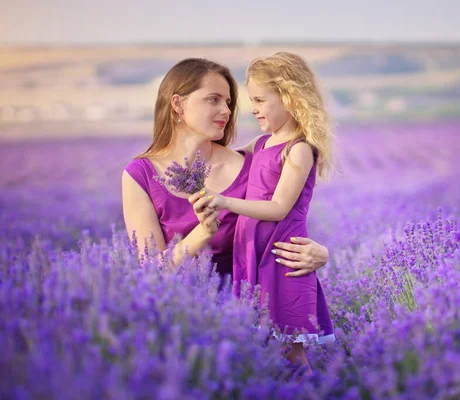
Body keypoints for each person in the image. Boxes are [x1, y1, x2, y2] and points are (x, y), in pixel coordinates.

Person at [121, 58, 330, 278]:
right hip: (179, 307)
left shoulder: (251, 164)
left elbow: (285, 221)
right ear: (177, 104)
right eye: (213, 100)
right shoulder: (140, 175)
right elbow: (151, 271)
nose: (227, 111)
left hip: (249, 301)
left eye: (228, 102)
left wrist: (321, 253)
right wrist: (203, 233)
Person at [195, 52, 335, 370]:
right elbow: (222, 155)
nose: (253, 109)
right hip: (252, 252)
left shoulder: (298, 149)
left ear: (290, 98)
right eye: (252, 100)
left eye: (260, 100)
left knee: (292, 352)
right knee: (261, 346)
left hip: (282, 256)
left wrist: (224, 201)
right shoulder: (261, 144)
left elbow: (278, 207)